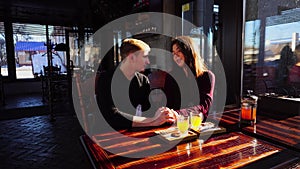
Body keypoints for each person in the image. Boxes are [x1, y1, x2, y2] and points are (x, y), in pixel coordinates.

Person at [96, 38, 176, 130]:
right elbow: (112, 116)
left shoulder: (143, 80)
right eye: (145, 56)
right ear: (132, 57)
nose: (148, 62)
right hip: (107, 134)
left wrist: (163, 113)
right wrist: (152, 120)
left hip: (132, 132)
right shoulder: (106, 79)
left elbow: (147, 110)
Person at [164, 36, 215, 122]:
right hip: (175, 124)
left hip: (198, 124)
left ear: (189, 51)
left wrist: (177, 114)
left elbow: (204, 106)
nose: (176, 56)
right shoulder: (171, 77)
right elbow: (169, 104)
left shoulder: (207, 76)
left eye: (179, 51)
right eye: (173, 53)